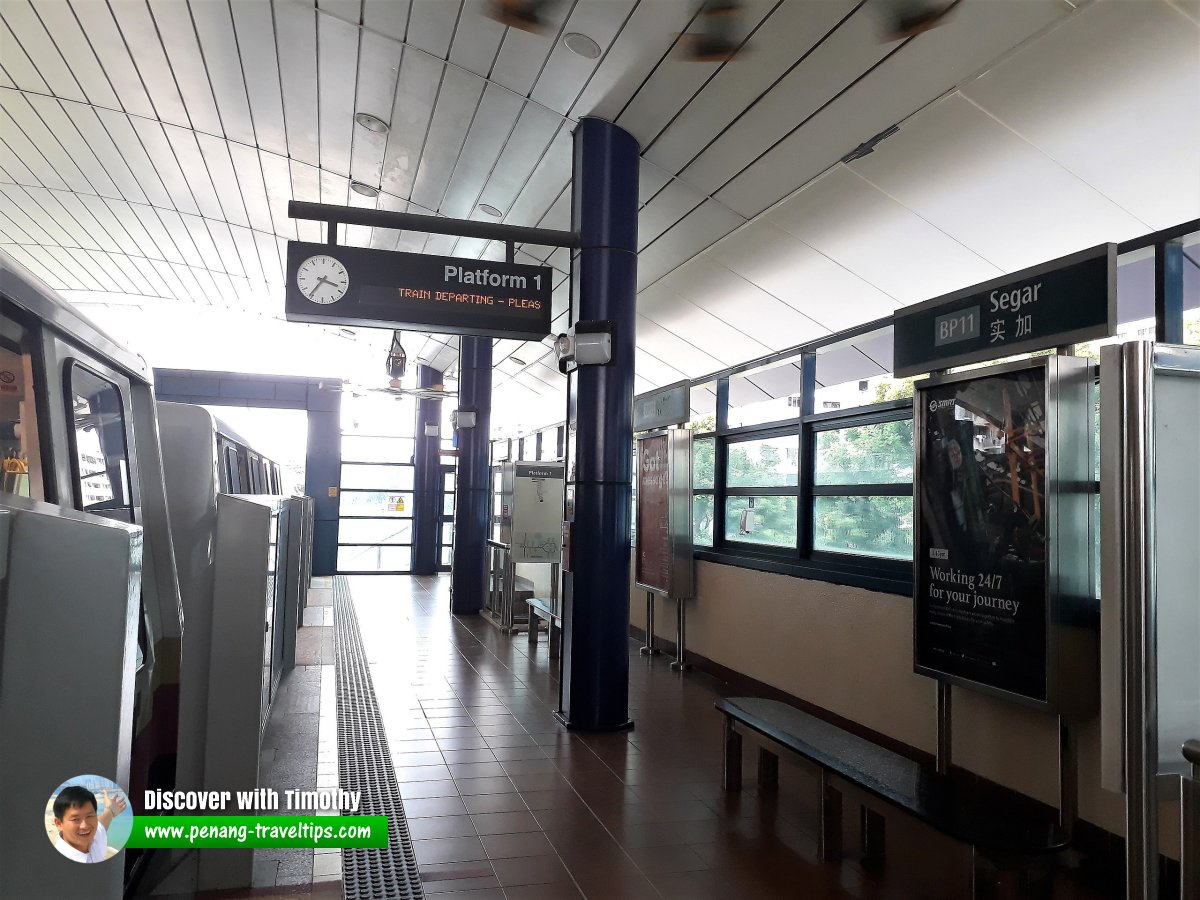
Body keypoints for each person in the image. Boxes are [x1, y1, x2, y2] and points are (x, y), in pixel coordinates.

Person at [51, 784, 126, 863]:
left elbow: (103, 820)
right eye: (75, 819)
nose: (85, 826)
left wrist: (110, 809)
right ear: (59, 824)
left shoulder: (95, 836)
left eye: (89, 816)